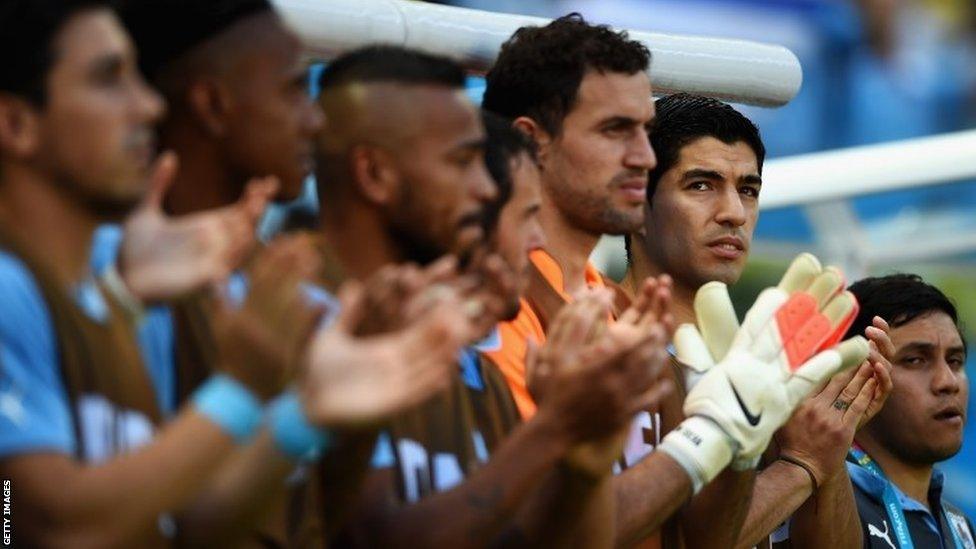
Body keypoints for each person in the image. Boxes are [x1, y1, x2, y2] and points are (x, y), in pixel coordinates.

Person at [314, 45, 674, 548]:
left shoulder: (469, 361)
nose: (486, 188)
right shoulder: (308, 323)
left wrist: (583, 466)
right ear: (374, 173)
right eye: (462, 161)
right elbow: (378, 537)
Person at [482, 14, 753, 546]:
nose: (643, 157)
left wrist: (746, 435)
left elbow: (699, 540)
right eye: (614, 130)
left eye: (644, 132)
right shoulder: (494, 310)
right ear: (530, 142)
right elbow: (541, 529)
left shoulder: (625, 315)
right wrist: (713, 434)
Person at [624, 93, 894, 548]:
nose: (733, 213)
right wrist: (799, 464)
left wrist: (828, 436)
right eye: (701, 185)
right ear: (637, 206)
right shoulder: (602, 344)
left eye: (748, 189)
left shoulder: (772, 363)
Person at [846, 274, 974, 549]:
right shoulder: (825, 508)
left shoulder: (959, 524)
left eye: (955, 360)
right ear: (855, 375)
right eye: (915, 360)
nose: (948, 382)